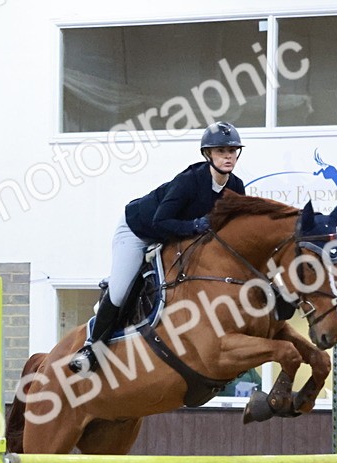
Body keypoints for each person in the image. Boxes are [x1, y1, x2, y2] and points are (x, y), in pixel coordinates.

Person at [68, 121, 246, 373]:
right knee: (120, 292)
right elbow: (160, 221)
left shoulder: (236, 187)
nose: (228, 156)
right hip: (138, 231)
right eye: (221, 151)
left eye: (232, 151)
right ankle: (91, 347)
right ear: (208, 154)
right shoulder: (189, 182)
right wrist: (196, 225)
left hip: (174, 237)